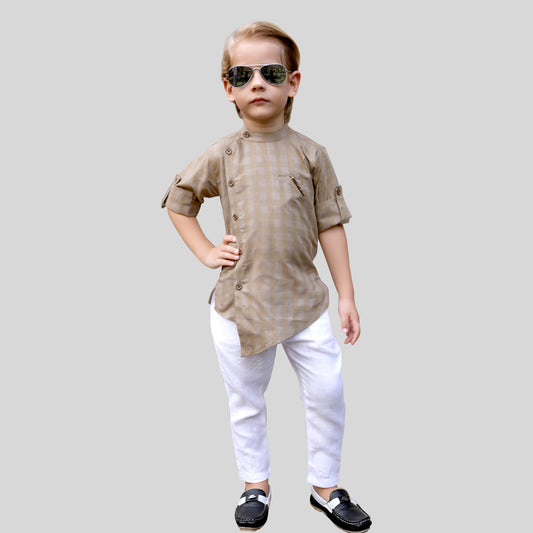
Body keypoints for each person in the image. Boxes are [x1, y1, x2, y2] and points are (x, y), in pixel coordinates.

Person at [161, 21, 372, 532]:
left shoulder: (312, 153)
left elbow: (330, 224)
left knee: (327, 393)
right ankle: (255, 484)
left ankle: (326, 487)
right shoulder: (222, 153)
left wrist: (346, 295)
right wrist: (206, 251)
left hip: (304, 301)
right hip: (240, 304)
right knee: (246, 401)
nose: (257, 83)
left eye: (271, 73)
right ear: (228, 88)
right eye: (243, 74)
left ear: (292, 83)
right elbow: (179, 201)